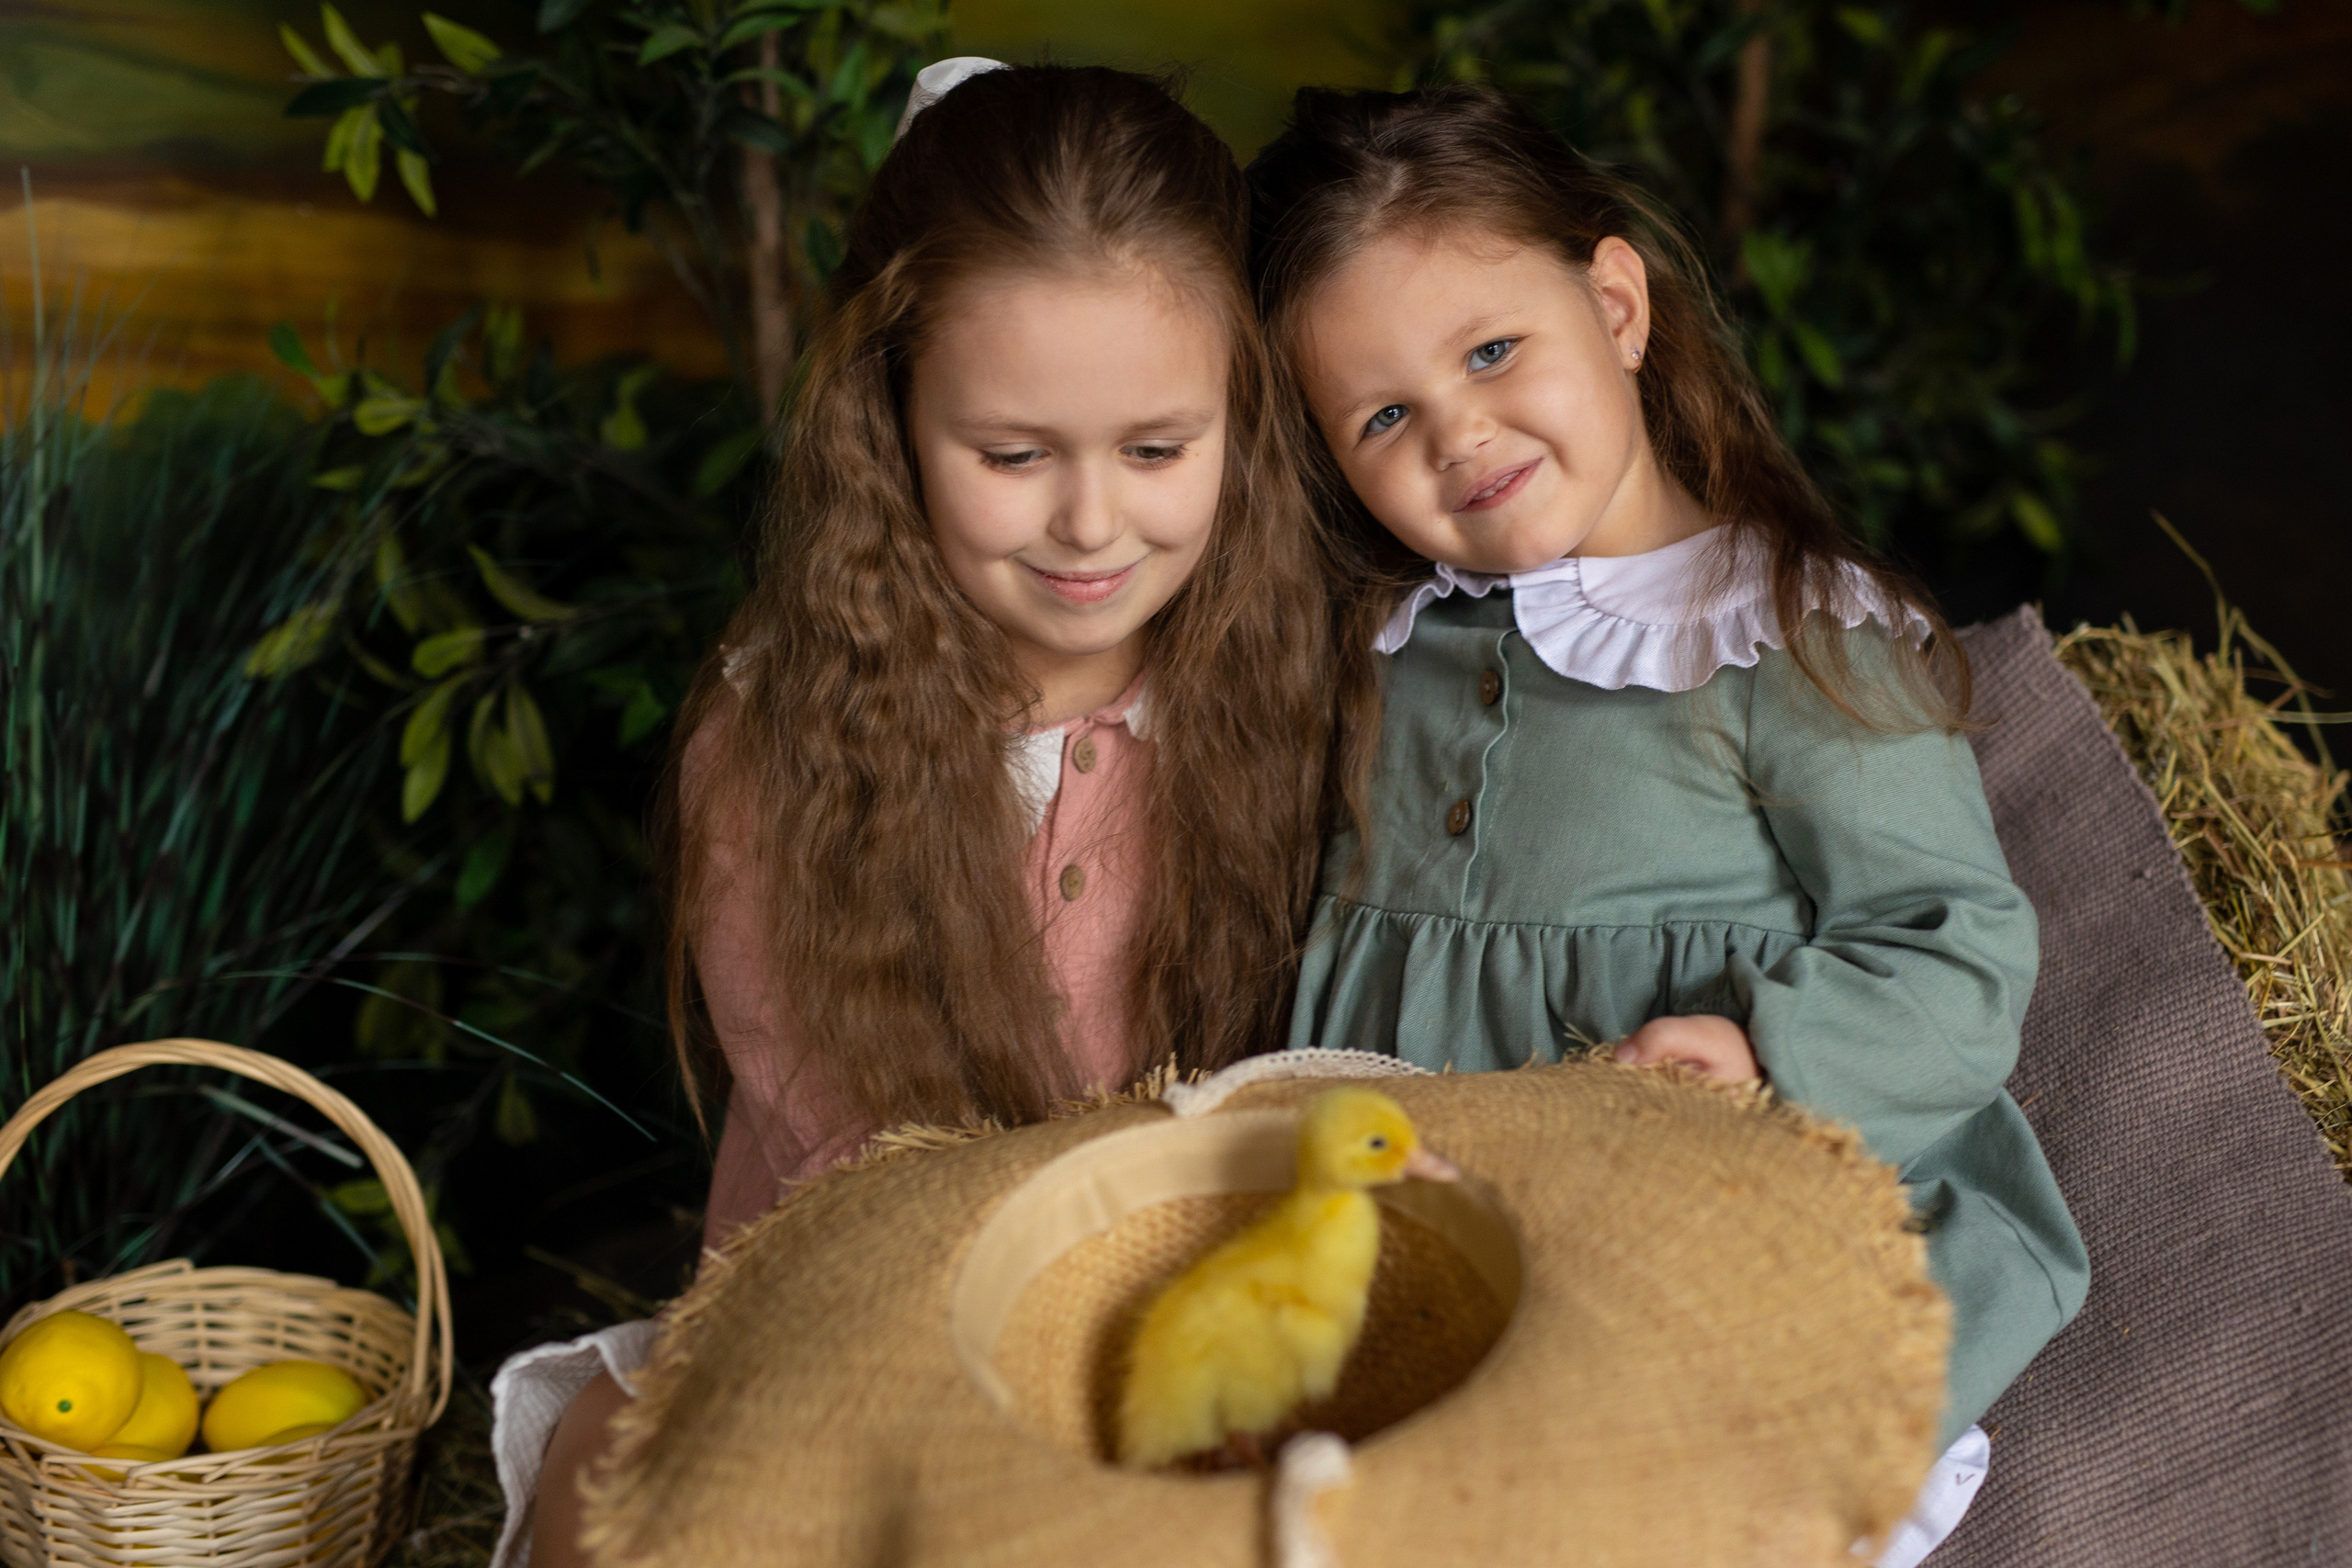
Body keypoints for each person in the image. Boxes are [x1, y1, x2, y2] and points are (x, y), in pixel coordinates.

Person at [492, 60, 1367, 1568]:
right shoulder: (781, 747)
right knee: (651, 1498)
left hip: (1200, 1324)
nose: (1093, 525)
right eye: (1014, 457)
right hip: (880, 1318)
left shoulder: (1311, 684)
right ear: (888, 418)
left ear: (1247, 416)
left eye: (1158, 451)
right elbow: (862, 1183)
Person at [1248, 85, 2086, 1565]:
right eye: (1385, 415)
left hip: (1710, 1227)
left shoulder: (1780, 635)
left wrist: (1762, 1052)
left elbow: (1958, 950)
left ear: (1617, 301)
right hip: (1445, 1247)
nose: (1460, 435)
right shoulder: (1387, 652)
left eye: (1494, 350)